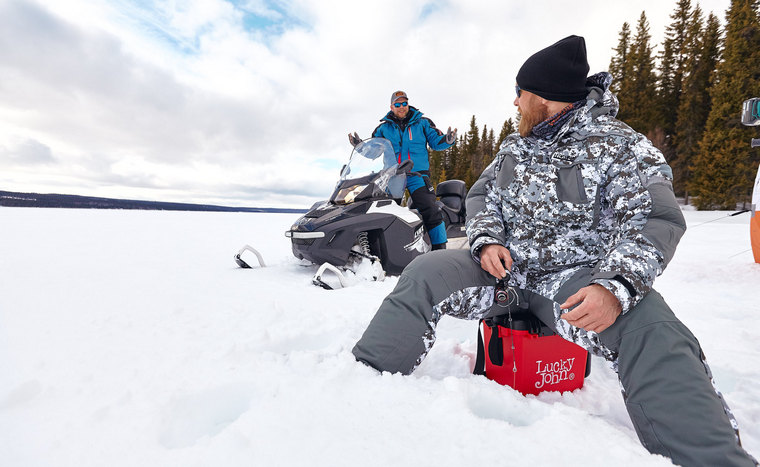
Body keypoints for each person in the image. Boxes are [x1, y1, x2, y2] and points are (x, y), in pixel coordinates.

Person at [352, 36, 757, 466]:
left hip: (573, 282)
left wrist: (614, 285)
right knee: (424, 272)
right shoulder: (515, 146)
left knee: (651, 329)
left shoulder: (620, 146)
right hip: (501, 271)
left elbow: (656, 220)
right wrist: (487, 240)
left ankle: (712, 458)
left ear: (543, 99)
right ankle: (359, 384)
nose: (514, 103)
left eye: (519, 94)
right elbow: (482, 197)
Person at [349, 91, 457, 250]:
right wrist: (360, 147)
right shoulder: (383, 128)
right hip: (392, 176)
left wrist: (448, 141)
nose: (401, 107)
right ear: (391, 107)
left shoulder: (422, 123)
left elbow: (436, 142)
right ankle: (381, 248)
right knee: (383, 210)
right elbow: (374, 151)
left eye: (404, 103)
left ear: (408, 104)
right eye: (397, 104)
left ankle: (439, 248)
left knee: (430, 209)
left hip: (417, 175)